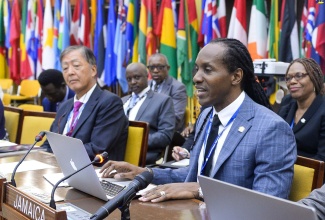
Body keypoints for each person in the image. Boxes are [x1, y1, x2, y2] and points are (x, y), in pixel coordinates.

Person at [100, 38, 297, 202]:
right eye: (196, 69)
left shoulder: (272, 129)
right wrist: (144, 173)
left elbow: (267, 203)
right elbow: (192, 175)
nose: (196, 78)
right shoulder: (206, 115)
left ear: (236, 76)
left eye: (208, 70)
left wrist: (199, 190)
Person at [41, 45, 128, 161]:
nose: (70, 72)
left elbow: (97, 148)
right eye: (65, 68)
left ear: (93, 70)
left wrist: (57, 154)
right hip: (58, 167)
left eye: (76, 66)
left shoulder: (109, 103)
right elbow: (49, 143)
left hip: (93, 171)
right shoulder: (65, 106)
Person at [122, 62, 175, 164]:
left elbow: (165, 136)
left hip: (144, 159)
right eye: (129, 79)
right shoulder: (122, 101)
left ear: (147, 76)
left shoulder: (163, 101)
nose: (133, 82)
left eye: (137, 77)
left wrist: (135, 141)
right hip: (117, 156)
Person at [278, 58, 325, 162]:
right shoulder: (287, 102)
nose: (292, 81)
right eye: (288, 78)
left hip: (311, 174)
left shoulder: (322, 110)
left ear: (314, 78)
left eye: (299, 76)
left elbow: (322, 159)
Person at [147, 53, 187, 132]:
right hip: (147, 130)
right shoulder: (145, 85)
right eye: (152, 67)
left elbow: (176, 118)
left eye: (160, 67)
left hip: (168, 133)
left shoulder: (177, 88)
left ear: (168, 68)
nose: (155, 70)